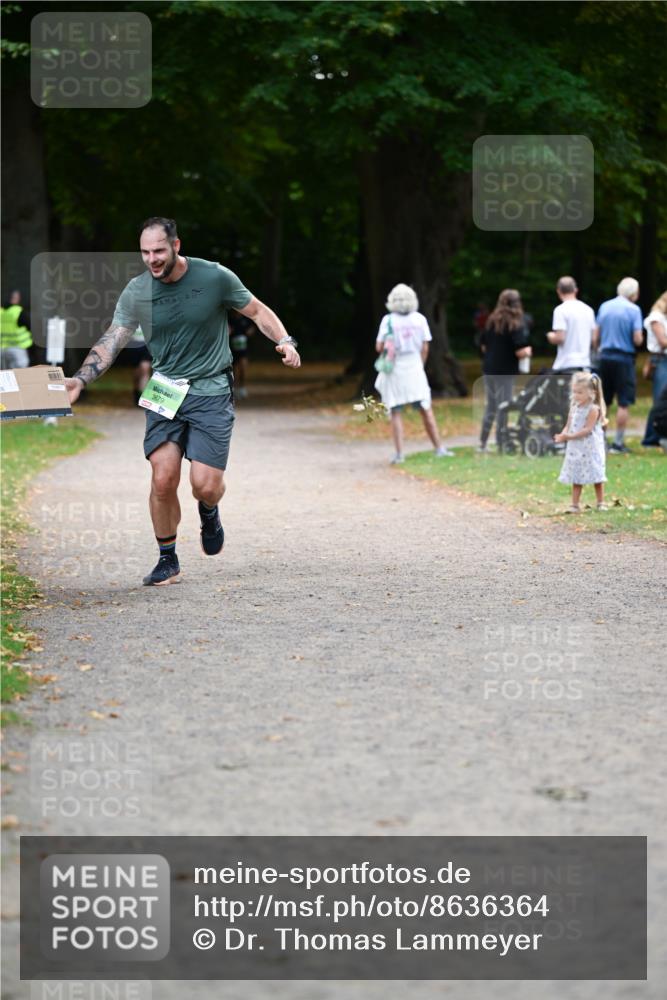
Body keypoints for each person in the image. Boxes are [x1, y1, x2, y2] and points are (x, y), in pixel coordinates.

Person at [64, 217, 301, 587]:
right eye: (144, 252)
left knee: (204, 485)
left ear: (176, 246)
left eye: (158, 250)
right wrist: (81, 379)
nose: (151, 259)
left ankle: (209, 509)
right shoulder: (137, 290)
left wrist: (285, 341)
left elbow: (256, 310)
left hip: (211, 390)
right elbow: (114, 337)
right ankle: (167, 559)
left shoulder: (215, 277)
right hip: (164, 391)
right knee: (162, 479)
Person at [374, 283, 453, 464]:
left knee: (395, 411)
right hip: (415, 367)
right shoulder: (420, 319)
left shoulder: (388, 320)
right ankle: (439, 447)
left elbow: (379, 347)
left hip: (394, 369)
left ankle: (400, 453)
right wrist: (420, 365)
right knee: (426, 408)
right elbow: (425, 346)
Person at [477, 288, 532, 452]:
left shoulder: (491, 321)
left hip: (489, 369)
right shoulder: (516, 324)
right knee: (504, 406)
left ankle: (483, 442)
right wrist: (528, 352)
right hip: (506, 371)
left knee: (491, 406)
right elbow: (520, 350)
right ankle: (501, 442)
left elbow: (483, 346)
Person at [593, 277, 643, 454]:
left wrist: (597, 350)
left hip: (604, 357)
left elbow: (595, 335)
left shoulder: (605, 306)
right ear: (633, 293)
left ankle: (600, 440)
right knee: (623, 402)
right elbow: (637, 339)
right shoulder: (634, 310)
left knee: (603, 402)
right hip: (624, 359)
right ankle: (619, 442)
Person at [555, 372, 607, 513]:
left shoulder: (593, 409)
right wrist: (564, 433)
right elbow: (569, 424)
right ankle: (575, 504)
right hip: (576, 447)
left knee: (596, 472)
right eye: (574, 392)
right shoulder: (574, 406)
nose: (576, 395)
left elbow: (587, 430)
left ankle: (601, 502)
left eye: (580, 392)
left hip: (591, 446)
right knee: (576, 473)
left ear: (592, 392)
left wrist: (569, 437)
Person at [546, 276, 595, 370]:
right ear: (576, 290)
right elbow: (593, 339)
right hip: (585, 364)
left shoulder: (560, 310)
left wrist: (550, 336)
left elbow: (560, 338)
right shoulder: (588, 310)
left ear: (558, 291)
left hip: (566, 365)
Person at [640, 290, 667, 447]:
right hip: (660, 360)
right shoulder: (656, 318)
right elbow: (662, 342)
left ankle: (658, 436)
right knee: (660, 400)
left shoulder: (663, 318)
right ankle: (651, 438)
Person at [1, 290, 32, 369]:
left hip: (2, 348)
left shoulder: (1, 311)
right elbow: (30, 326)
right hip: (17, 348)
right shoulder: (18, 311)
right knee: (20, 374)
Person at [229, 311, 255, 399]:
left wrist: (249, 332)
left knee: (243, 367)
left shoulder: (246, 319)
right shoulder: (229, 319)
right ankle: (234, 389)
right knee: (234, 369)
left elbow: (252, 328)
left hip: (243, 348)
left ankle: (242, 387)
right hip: (232, 348)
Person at [125, 325, 153, 406]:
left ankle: (143, 398)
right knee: (137, 373)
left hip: (147, 345)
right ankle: (136, 393)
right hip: (133, 345)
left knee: (145, 369)